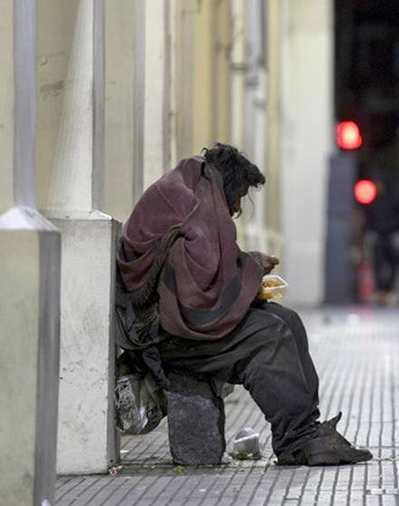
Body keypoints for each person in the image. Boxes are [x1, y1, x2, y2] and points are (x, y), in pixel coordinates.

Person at [114, 144, 373, 466]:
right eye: (239, 196)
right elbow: (199, 292)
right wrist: (251, 266)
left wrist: (246, 269)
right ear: (229, 184)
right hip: (162, 336)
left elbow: (199, 274)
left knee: (287, 319)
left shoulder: (190, 187)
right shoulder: (196, 200)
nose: (236, 207)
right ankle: (299, 439)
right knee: (269, 335)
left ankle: (306, 430)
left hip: (169, 319)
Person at [363, 178, 399, 306]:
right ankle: (380, 291)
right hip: (378, 236)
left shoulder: (394, 199)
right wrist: (370, 232)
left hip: (391, 235)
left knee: (393, 264)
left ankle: (389, 290)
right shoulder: (374, 201)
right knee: (378, 263)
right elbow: (369, 218)